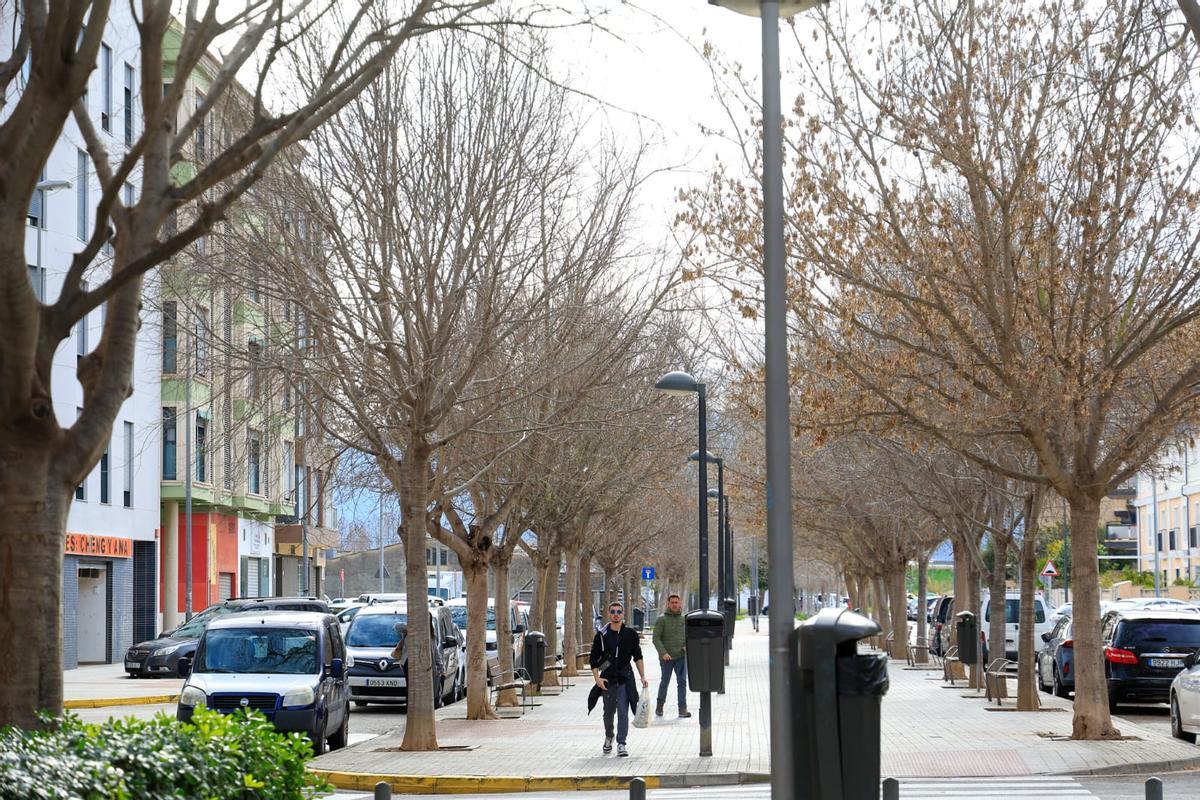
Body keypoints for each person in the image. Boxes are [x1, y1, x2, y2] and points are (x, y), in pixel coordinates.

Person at [587, 601, 648, 757]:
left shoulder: (630, 634)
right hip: (607, 679)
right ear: (609, 614)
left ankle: (621, 743)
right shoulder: (601, 635)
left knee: (623, 711)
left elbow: (638, 656)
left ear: (623, 614)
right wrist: (597, 680)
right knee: (608, 713)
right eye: (613, 611)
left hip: (625, 678)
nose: (616, 614)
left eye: (619, 612)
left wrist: (642, 676)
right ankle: (609, 736)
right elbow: (593, 659)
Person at [651, 593, 691, 719]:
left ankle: (682, 709)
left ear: (680, 604)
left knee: (682, 682)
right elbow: (656, 638)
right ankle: (659, 706)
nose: (674, 604)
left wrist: (686, 645)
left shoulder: (684, 619)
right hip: (666, 659)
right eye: (672, 602)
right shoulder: (661, 619)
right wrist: (663, 653)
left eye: (676, 602)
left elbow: (689, 635)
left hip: (681, 657)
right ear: (668, 604)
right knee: (665, 682)